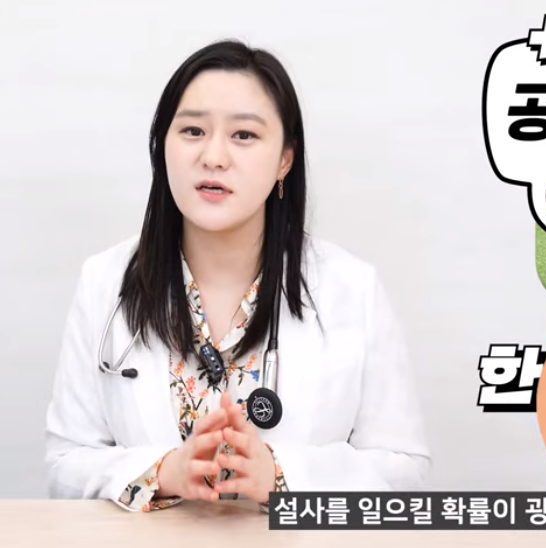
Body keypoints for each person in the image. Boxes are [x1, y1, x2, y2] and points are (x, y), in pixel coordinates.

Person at [44, 39, 431, 513]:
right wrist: (162, 473)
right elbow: (65, 465)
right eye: (192, 131)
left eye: (244, 135)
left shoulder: (352, 289)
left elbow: (405, 473)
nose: (213, 156)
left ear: (285, 159)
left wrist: (284, 476)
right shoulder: (105, 282)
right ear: (162, 147)